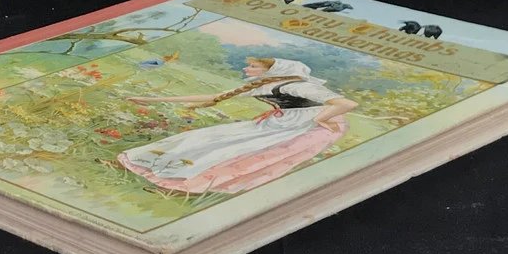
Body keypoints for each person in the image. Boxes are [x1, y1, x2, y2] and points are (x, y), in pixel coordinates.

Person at [117, 57, 357, 194]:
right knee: (202, 138)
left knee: (231, 152)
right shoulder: (262, 85)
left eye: (253, 66)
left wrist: (320, 118)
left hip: (301, 129)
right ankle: (145, 164)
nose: (246, 69)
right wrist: (150, 99)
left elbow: (346, 103)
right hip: (276, 123)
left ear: (275, 70)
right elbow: (214, 98)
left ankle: (183, 186)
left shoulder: (299, 86)